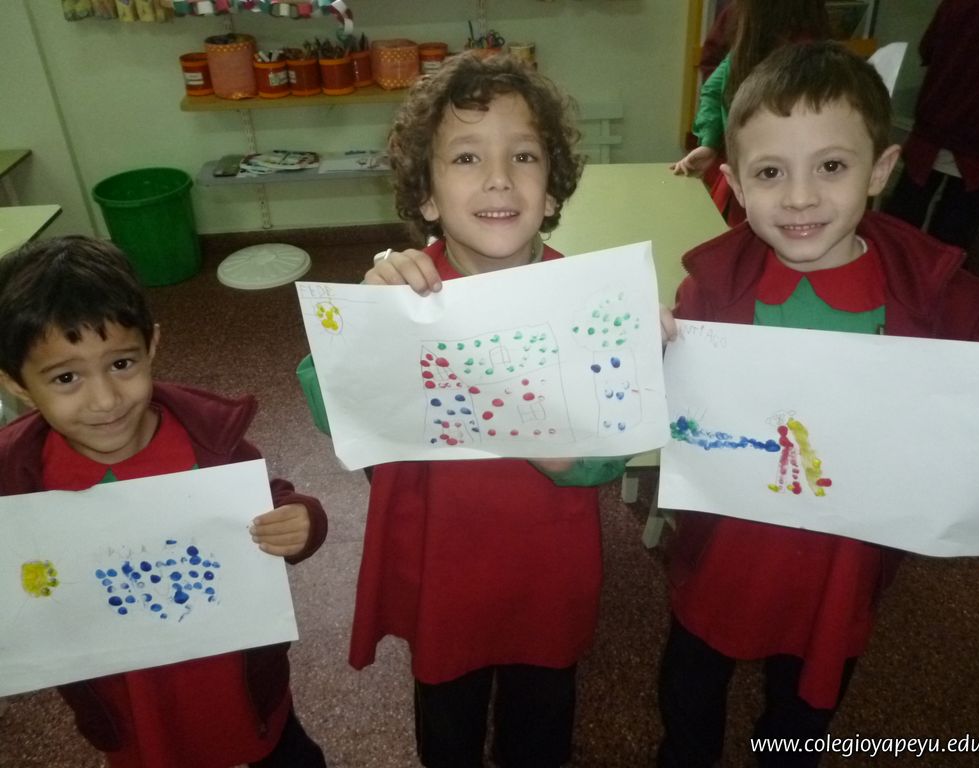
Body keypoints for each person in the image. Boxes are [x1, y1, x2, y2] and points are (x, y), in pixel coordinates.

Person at [660, 41, 979, 768]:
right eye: (771, 172)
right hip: (727, 550)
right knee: (690, 690)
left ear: (880, 170)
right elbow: (676, 410)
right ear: (734, 184)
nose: (800, 197)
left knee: (801, 717)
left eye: (831, 166)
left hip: (841, 566)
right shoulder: (711, 291)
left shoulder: (932, 294)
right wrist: (650, 352)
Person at [334, 52, 654, 768]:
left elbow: (612, 453)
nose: (499, 177)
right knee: (447, 728)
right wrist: (365, 320)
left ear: (552, 190)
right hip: (442, 572)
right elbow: (333, 410)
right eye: (467, 157)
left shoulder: (586, 299)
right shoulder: (402, 295)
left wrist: (568, 454)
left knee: (539, 728)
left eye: (524, 156)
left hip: (547, 571)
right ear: (427, 196)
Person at [0, 236, 329, 768]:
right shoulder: (18, 479)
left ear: (151, 345)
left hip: (238, 681)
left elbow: (273, 503)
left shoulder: (208, 442)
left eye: (121, 364)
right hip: (125, 698)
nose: (105, 399)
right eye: (66, 377)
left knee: (283, 756)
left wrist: (302, 520)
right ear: (15, 383)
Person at [670, 0, 831, 225]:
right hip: (750, 174)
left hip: (779, 174)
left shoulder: (807, 55)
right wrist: (710, 143)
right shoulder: (743, 52)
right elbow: (714, 90)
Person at [881, 0, 979, 249]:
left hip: (938, 120)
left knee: (900, 225)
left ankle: (889, 268)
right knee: (952, 238)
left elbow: (928, 49)